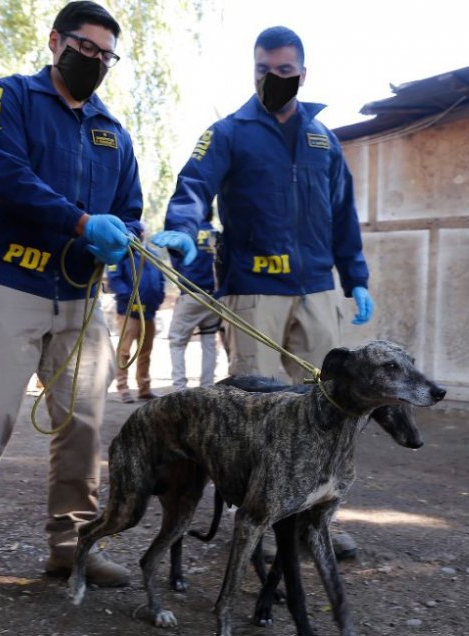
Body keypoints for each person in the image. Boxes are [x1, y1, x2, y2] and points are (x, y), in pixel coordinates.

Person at [0, 1, 139, 587]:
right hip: (9, 279)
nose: (95, 62)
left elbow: (129, 210)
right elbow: (12, 181)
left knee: (82, 421)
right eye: (85, 49)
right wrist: (82, 224)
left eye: (106, 56)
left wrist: (125, 238)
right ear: (56, 42)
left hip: (79, 294)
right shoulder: (9, 98)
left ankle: (72, 542)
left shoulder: (113, 132)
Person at [152, 25, 374, 559]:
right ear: (252, 70)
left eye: (282, 72)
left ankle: (314, 522)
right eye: (261, 70)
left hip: (318, 288)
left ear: (301, 72)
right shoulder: (229, 132)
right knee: (257, 413)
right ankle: (257, 528)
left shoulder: (324, 138)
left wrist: (357, 276)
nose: (271, 79)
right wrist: (183, 226)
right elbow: (194, 186)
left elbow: (342, 212)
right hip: (254, 289)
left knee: (325, 410)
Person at [107, 220, 165, 403]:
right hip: (129, 312)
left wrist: (158, 299)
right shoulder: (121, 255)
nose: (139, 234)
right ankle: (123, 388)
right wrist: (130, 297)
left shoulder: (153, 255)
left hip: (150, 313)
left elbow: (161, 280)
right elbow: (114, 280)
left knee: (146, 351)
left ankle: (144, 388)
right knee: (124, 352)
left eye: (140, 231)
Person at [168, 219, 220, 390]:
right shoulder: (217, 235)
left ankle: (179, 389)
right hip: (214, 296)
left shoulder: (185, 234)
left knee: (177, 341)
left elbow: (176, 263)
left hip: (191, 294)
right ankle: (207, 388)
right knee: (209, 340)